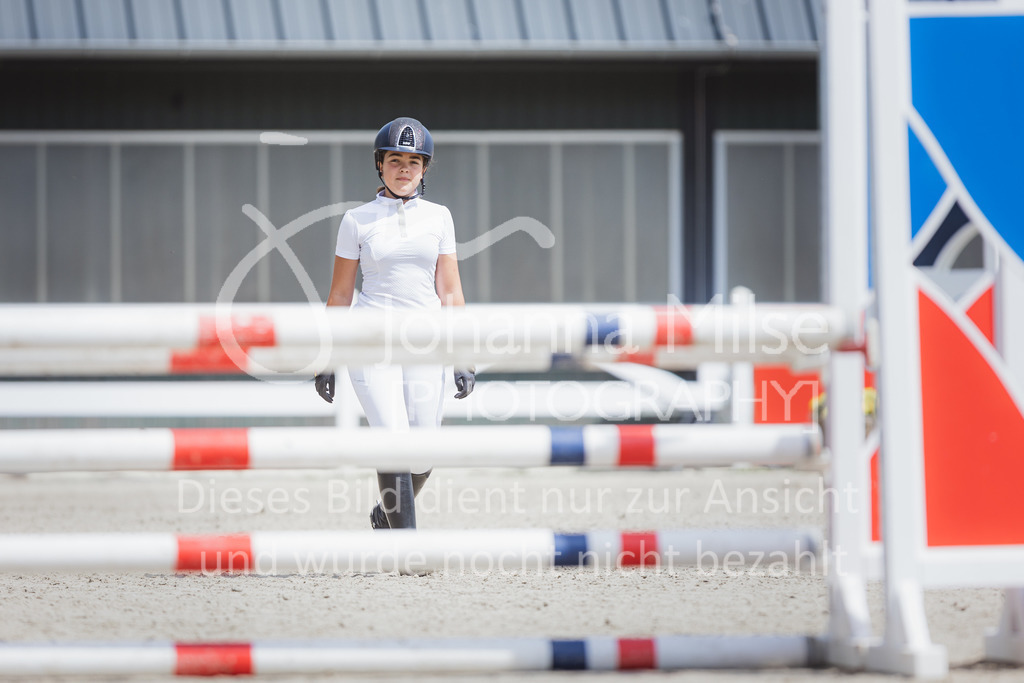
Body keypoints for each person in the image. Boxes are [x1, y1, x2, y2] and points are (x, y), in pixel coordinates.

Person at [314, 116, 475, 530]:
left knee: (422, 454)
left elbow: (451, 292)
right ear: (380, 165)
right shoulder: (357, 220)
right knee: (393, 441)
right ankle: (408, 546)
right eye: (395, 160)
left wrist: (462, 354)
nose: (404, 168)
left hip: (426, 340)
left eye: (414, 162)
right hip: (372, 340)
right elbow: (340, 295)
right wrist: (328, 357)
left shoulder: (440, 217)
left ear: (424, 168)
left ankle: (385, 515)